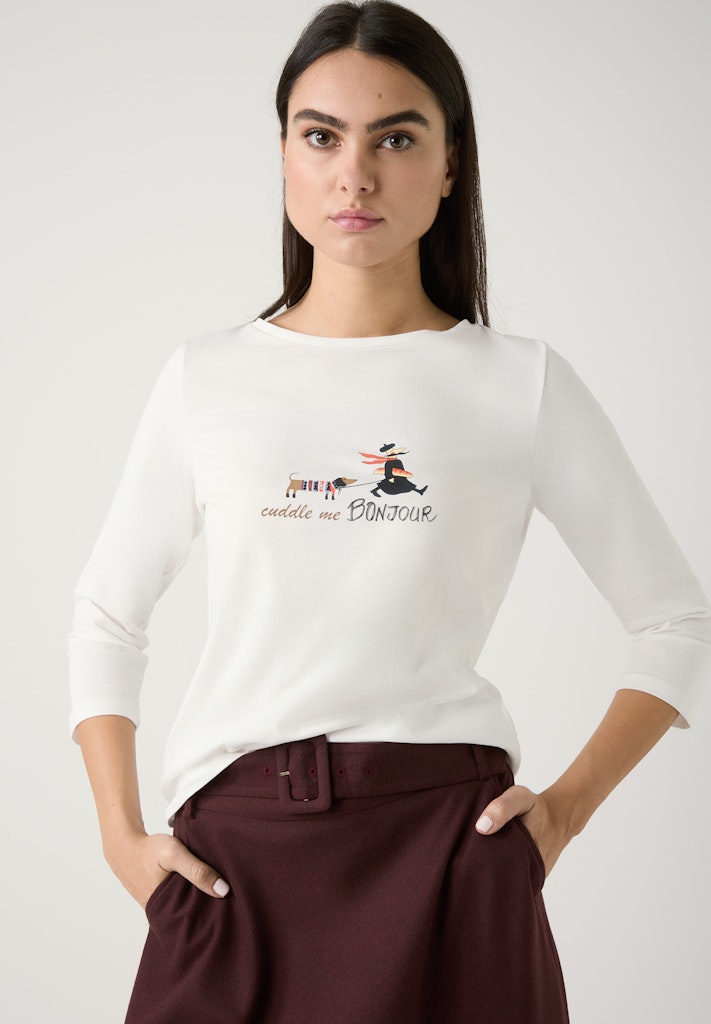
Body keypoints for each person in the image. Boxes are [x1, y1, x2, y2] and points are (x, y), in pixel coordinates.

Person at [67, 2, 711, 1022]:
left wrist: (564, 813)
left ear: (451, 164)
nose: (354, 175)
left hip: (451, 857)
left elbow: (673, 617)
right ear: (284, 154)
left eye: (396, 139)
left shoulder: (520, 383)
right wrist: (119, 836)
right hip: (235, 867)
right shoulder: (208, 378)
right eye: (321, 136)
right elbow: (107, 614)